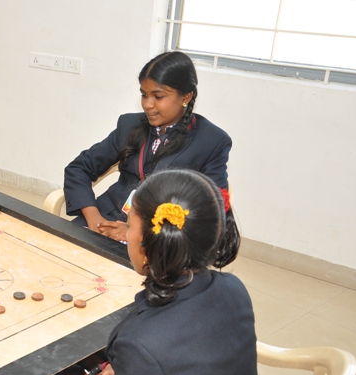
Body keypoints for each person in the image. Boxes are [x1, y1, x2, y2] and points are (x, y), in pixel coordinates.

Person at [0, 169, 256, 375]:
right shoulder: (233, 289)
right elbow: (186, 359)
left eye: (129, 226)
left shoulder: (142, 341)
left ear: (149, 246)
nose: (125, 233)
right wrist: (127, 373)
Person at [64, 51, 231, 243]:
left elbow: (213, 210)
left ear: (186, 97)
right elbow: (78, 169)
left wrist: (141, 233)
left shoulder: (211, 141)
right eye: (144, 95)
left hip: (160, 236)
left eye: (158, 96)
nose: (147, 105)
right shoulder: (129, 125)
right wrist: (94, 218)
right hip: (105, 220)